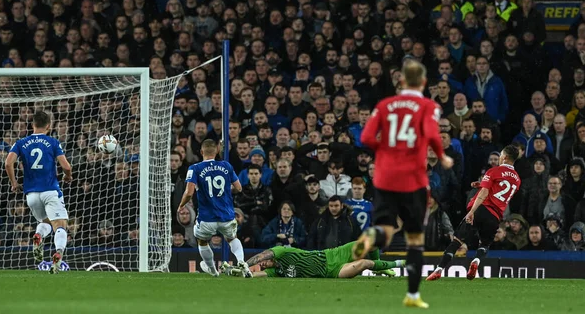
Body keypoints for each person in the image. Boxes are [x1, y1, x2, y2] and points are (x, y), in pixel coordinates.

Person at [353, 60, 454, 309]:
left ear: (401, 81)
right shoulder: (428, 105)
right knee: (414, 239)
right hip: (413, 179)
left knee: (386, 231)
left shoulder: (385, 105)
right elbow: (432, 134)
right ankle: (412, 295)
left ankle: (371, 235)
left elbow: (365, 137)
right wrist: (442, 156)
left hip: (385, 177)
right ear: (423, 82)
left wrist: (386, 150)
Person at [426, 144, 521, 281]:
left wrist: (472, 211)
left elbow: (484, 192)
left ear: (504, 157)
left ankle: (439, 269)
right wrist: (481, 184)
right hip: (495, 216)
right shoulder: (517, 179)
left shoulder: (493, 171)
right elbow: (500, 190)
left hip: (481, 209)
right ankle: (476, 260)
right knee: (484, 244)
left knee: (457, 240)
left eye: (500, 156)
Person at [4, 111, 72, 274]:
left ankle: (38, 236)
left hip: (31, 195)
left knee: (46, 221)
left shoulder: (21, 142)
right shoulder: (52, 142)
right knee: (60, 225)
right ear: (49, 125)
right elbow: (67, 166)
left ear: (32, 124)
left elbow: (8, 163)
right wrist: (67, 176)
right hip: (50, 190)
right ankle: (59, 253)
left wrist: (14, 183)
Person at [177, 139, 251, 277]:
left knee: (202, 241)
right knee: (232, 238)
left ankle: (212, 270)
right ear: (217, 151)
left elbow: (189, 192)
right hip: (226, 215)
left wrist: (181, 205)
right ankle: (241, 261)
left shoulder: (195, 168)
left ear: (201, 152)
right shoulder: (226, 166)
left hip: (207, 217)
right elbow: (239, 188)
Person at [221, 241, 405, 278]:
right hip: (332, 272)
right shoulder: (276, 271)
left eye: (265, 261)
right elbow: (254, 276)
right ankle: (393, 265)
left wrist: (244, 263)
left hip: (332, 255)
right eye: (264, 265)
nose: (264, 263)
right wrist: (236, 272)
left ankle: (387, 267)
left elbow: (262, 256)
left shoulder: (281, 251)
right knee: (365, 263)